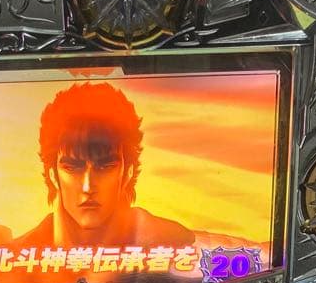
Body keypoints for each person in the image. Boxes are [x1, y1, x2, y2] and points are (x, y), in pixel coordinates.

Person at [11, 81, 198, 255]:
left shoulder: (181, 246)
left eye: (105, 166)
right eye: (72, 168)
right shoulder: (14, 257)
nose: (88, 187)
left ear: (128, 172)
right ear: (53, 175)